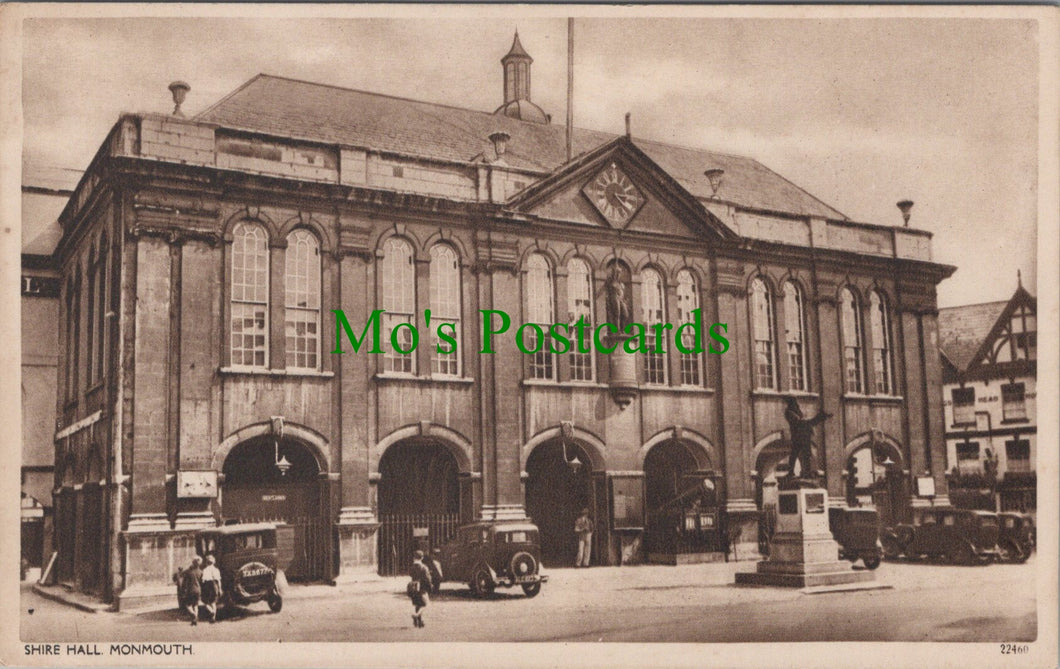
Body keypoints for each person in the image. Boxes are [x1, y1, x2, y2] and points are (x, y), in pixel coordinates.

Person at [782, 396, 832, 480]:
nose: (796, 404)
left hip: (805, 435)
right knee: (794, 454)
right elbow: (800, 422)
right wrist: (818, 418)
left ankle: (807, 472)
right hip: (798, 436)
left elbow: (804, 422)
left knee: (806, 455)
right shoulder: (789, 412)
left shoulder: (796, 411)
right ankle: (791, 472)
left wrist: (818, 418)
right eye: (794, 402)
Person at [407, 550, 433, 628]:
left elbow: (410, 574)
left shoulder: (412, 567)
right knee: (426, 604)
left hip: (414, 587)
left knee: (418, 604)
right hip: (422, 588)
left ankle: (419, 621)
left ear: (414, 557)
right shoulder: (424, 567)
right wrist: (430, 586)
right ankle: (416, 616)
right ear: (422, 558)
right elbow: (427, 579)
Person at [177, 556, 203, 625]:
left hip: (190, 590)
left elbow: (184, 580)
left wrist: (183, 591)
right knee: (196, 605)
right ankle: (194, 620)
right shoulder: (200, 572)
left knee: (188, 605)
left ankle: (193, 615)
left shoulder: (188, 572)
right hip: (198, 590)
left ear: (193, 563)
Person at [200, 554, 223, 623]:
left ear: (206, 562)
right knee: (213, 602)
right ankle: (213, 618)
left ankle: (211, 611)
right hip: (215, 585)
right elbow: (218, 580)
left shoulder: (205, 570)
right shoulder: (216, 570)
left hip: (208, 586)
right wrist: (220, 589)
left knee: (206, 602)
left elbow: (203, 580)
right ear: (214, 562)